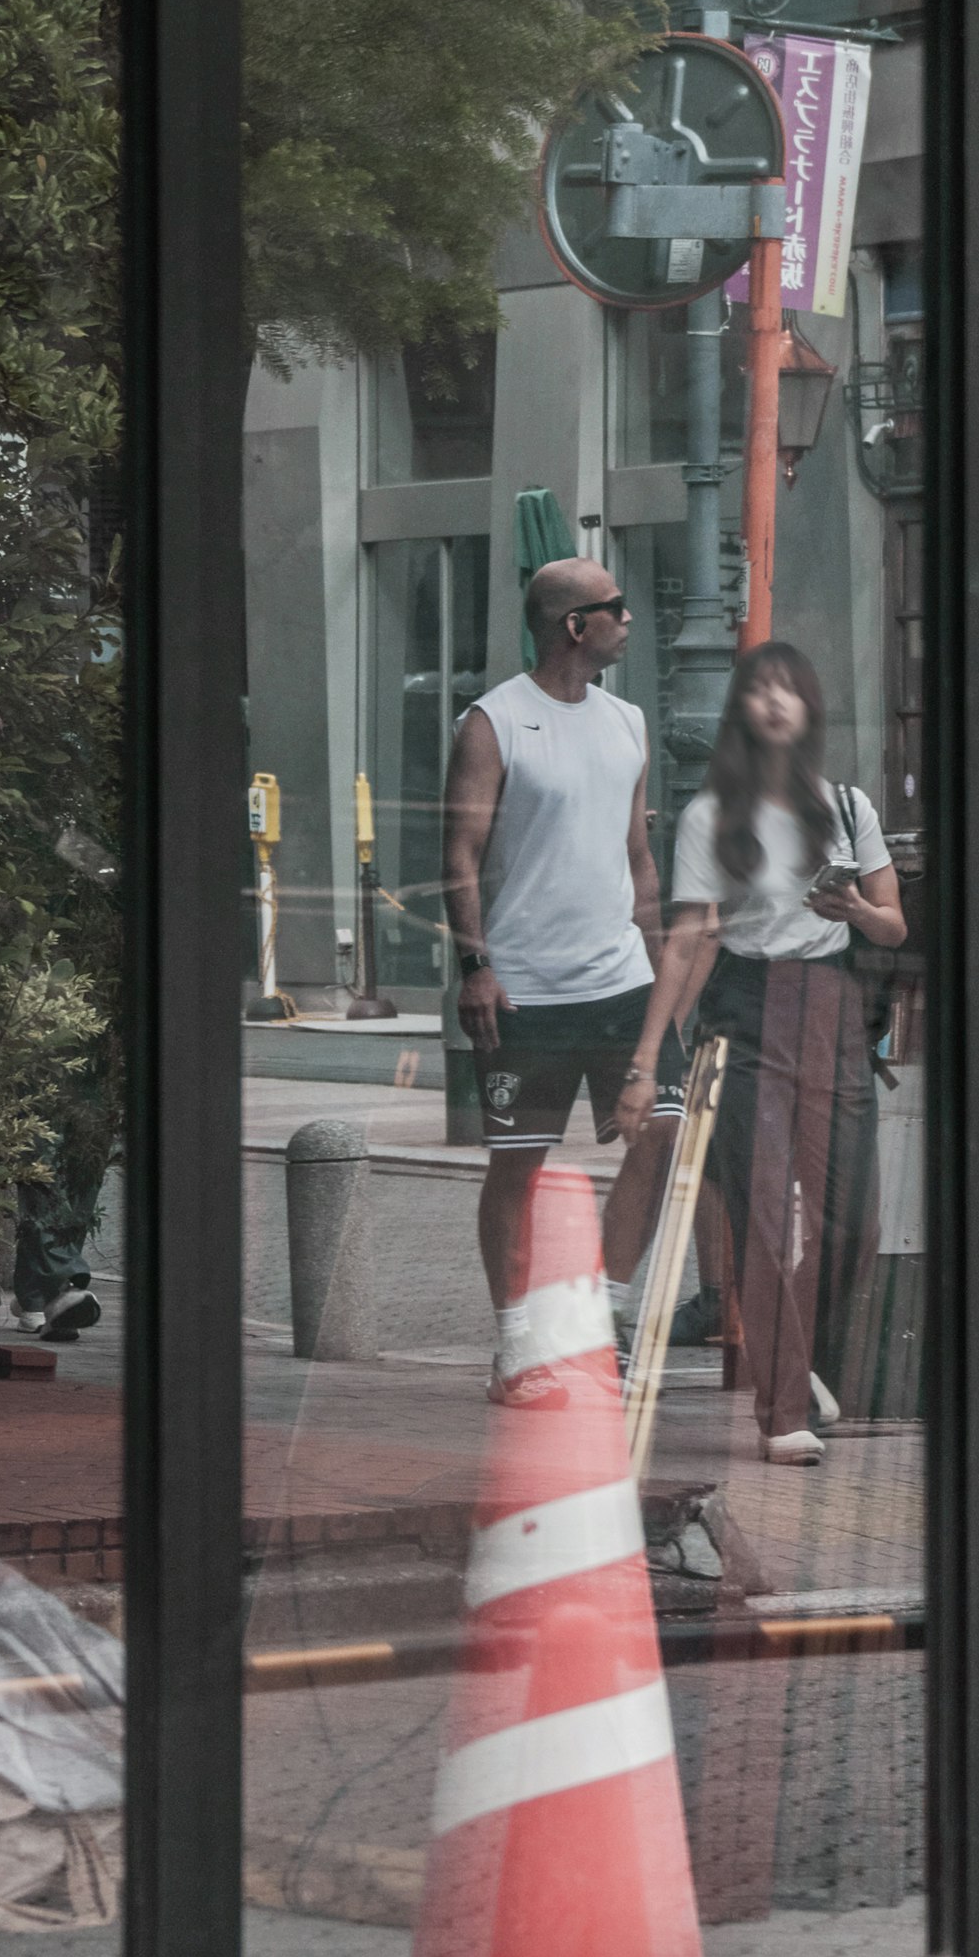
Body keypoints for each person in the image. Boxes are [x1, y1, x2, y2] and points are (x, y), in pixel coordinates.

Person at [630, 642, 904, 1464]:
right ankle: (783, 1408)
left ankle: (806, 1362)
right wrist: (651, 1056)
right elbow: (690, 939)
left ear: (811, 708)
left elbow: (895, 925)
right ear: (742, 712)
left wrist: (855, 907)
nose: (777, 702)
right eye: (761, 691)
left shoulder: (849, 806)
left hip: (833, 1003)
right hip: (745, 1008)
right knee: (757, 1207)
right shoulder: (711, 814)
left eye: (792, 689)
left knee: (852, 1218)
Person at [441, 559, 679, 1396]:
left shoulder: (628, 722)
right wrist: (475, 966)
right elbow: (459, 857)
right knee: (518, 1165)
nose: (628, 619)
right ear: (575, 627)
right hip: (526, 991)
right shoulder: (493, 721)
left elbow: (640, 861)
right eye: (616, 608)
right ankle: (515, 1344)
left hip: (620, 984)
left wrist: (661, 985)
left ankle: (604, 1316)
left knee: (662, 1133)